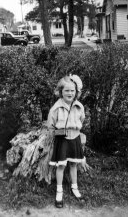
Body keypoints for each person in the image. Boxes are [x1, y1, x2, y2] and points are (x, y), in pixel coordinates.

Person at [47, 74, 86, 208]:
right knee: (61, 166)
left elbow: (81, 121)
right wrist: (59, 134)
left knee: (74, 165)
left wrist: (75, 132)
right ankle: (59, 191)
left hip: (75, 139)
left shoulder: (79, 107)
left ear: (76, 92)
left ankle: (75, 188)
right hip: (62, 140)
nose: (70, 93)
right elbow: (51, 126)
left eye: (72, 91)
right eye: (66, 90)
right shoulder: (56, 108)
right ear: (60, 92)